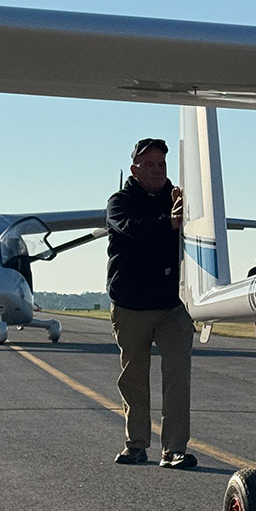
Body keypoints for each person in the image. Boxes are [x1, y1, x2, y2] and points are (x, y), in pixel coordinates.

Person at [106, 137, 197, 469]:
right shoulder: (120, 202)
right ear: (135, 169)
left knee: (177, 374)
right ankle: (137, 443)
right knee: (133, 377)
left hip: (174, 304)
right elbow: (131, 229)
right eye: (150, 164)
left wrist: (190, 211)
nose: (158, 170)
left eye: (162, 164)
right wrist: (169, 223)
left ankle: (174, 448)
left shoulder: (181, 199)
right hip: (131, 304)